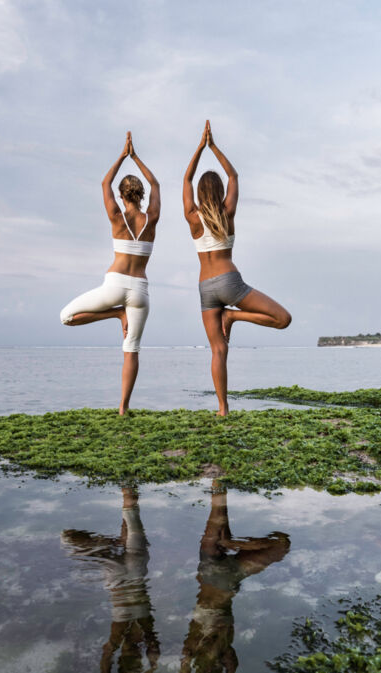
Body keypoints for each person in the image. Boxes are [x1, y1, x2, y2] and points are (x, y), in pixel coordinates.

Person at [183, 121, 291, 415]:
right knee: (283, 319)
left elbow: (187, 179)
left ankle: (222, 409)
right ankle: (233, 317)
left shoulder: (192, 217)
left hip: (205, 288)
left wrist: (199, 147)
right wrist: (213, 146)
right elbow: (233, 174)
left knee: (218, 351)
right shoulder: (227, 213)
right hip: (229, 282)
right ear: (218, 191)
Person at [61, 132, 160, 414]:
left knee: (65, 317)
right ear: (141, 195)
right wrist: (136, 157)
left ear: (121, 195)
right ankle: (123, 408)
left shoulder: (117, 217)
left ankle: (115, 314)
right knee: (131, 350)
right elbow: (156, 183)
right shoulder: (151, 218)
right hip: (140, 290)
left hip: (114, 286)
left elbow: (105, 182)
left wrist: (122, 155)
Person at [179, 481, 290, 672]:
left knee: (219, 514)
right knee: (281, 544)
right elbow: (231, 662)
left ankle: (231, 539)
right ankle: (232, 542)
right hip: (227, 577)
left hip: (216, 572)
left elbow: (226, 663)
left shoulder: (194, 649)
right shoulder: (219, 650)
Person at [61, 487, 161, 672]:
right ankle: (110, 540)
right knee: (66, 540)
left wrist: (153, 667)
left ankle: (127, 489)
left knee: (133, 517)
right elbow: (107, 653)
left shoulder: (144, 633)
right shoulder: (118, 638)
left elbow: (154, 649)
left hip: (136, 573)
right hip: (116, 579)